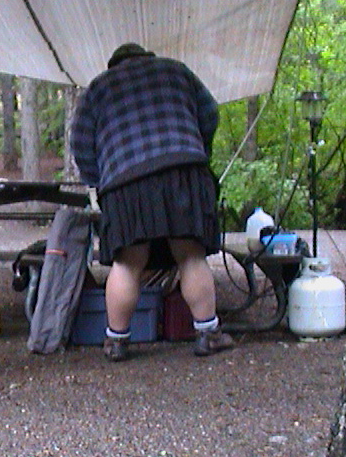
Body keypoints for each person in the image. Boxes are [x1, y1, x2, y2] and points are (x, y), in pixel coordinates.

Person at [71, 42, 235, 361]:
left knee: (128, 262)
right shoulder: (176, 71)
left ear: (114, 65)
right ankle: (208, 335)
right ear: (147, 57)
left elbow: (80, 143)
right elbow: (209, 114)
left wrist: (100, 181)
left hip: (124, 179)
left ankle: (116, 342)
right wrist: (198, 150)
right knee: (190, 254)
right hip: (183, 168)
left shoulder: (99, 87)